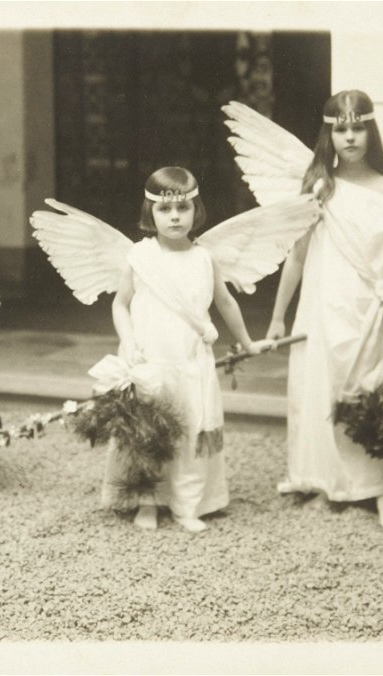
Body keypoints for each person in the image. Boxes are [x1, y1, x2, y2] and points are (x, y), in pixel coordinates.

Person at [264, 90, 383, 530]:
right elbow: (295, 256)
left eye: (358, 127)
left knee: (371, 393)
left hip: (371, 308)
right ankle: (324, 480)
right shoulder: (320, 187)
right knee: (322, 390)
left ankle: (381, 491)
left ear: (371, 131)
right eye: (341, 128)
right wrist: (277, 316)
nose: (350, 137)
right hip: (325, 306)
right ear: (329, 134)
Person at [107, 167, 263, 532]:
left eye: (183, 208)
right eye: (165, 209)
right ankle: (148, 500)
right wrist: (129, 343)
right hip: (151, 359)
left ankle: (187, 504)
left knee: (192, 429)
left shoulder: (204, 258)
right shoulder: (139, 257)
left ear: (196, 210)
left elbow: (225, 303)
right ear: (151, 213)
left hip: (191, 360)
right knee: (148, 431)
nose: (175, 217)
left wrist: (247, 341)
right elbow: (120, 304)